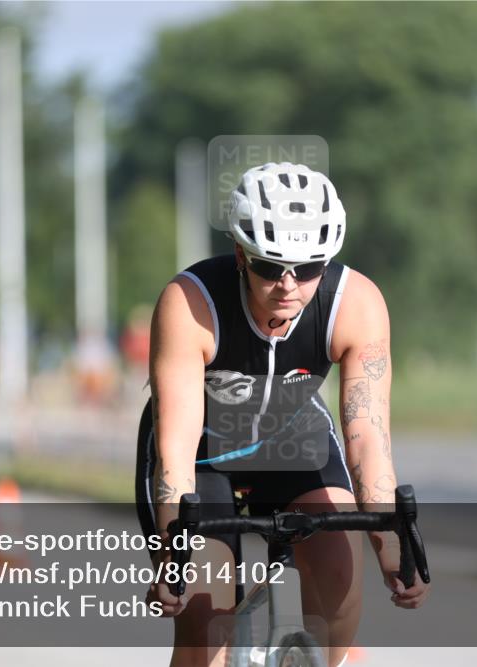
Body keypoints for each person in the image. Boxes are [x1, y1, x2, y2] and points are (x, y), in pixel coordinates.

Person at [134, 162, 429, 667]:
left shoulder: (355, 304)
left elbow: (368, 439)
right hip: (204, 456)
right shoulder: (189, 303)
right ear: (241, 255)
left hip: (296, 441)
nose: (289, 285)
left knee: (340, 580)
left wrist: (391, 544)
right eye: (271, 266)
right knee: (205, 624)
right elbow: (175, 448)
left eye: (309, 267)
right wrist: (172, 553)